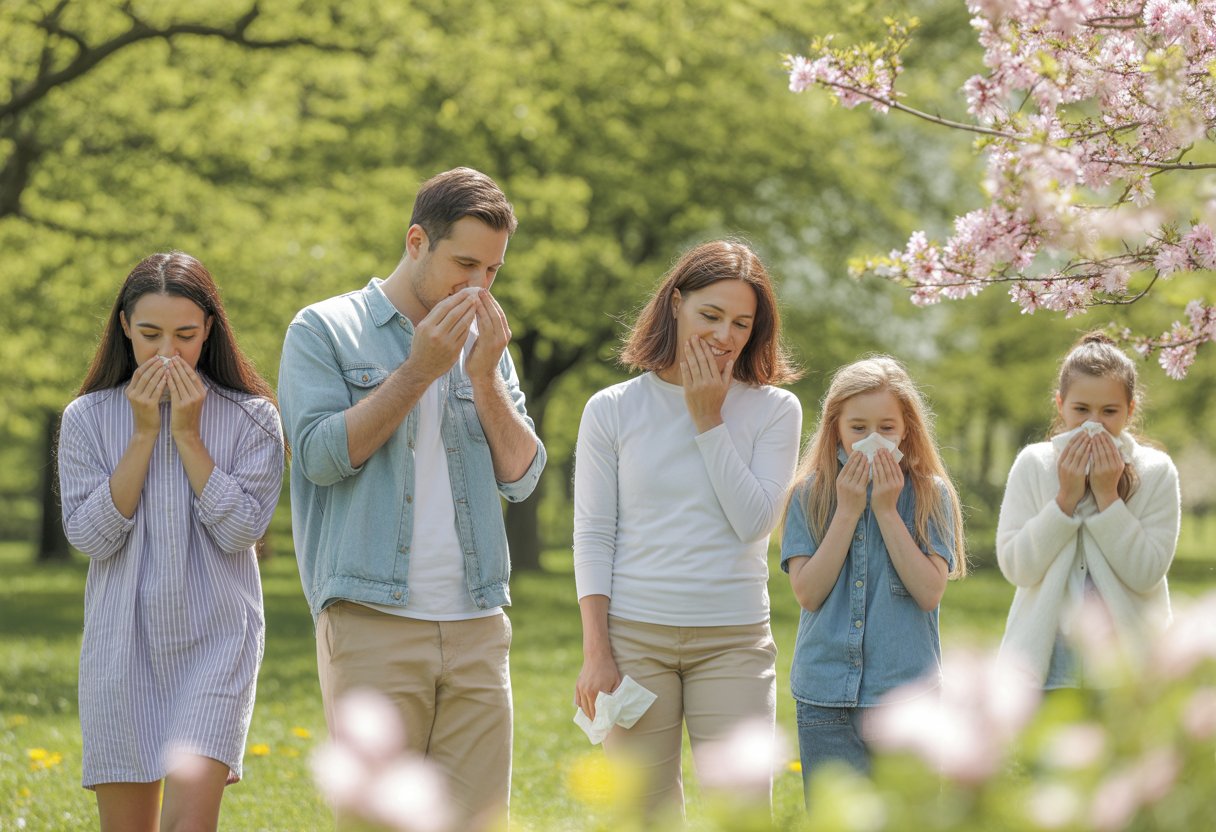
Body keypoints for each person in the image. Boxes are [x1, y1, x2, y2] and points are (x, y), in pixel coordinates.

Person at [278, 167, 545, 824]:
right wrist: (420, 370)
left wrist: (483, 377)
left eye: (493, 271)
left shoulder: (490, 346)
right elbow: (318, 458)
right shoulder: (325, 329)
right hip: (371, 617)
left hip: (478, 620)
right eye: (465, 264)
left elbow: (523, 475)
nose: (479, 286)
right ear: (417, 241)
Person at [573, 239, 803, 815]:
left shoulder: (776, 410)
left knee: (742, 815)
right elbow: (595, 533)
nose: (725, 335)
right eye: (711, 315)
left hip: (733, 642)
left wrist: (708, 419)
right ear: (676, 303)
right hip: (633, 641)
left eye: (741, 324)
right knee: (641, 818)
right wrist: (596, 650)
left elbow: (754, 523)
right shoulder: (612, 408)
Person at [57, 251, 285, 832]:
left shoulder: (253, 417)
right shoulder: (86, 417)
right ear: (125, 328)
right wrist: (142, 435)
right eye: (151, 334)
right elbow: (90, 537)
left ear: (209, 329)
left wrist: (186, 433)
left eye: (185, 335)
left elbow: (241, 531)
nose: (167, 353)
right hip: (121, 642)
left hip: (217, 640)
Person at [780, 356, 965, 792]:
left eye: (886, 428)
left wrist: (885, 510)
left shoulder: (929, 494)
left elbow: (928, 592)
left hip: (906, 697)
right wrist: (847, 511)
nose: (872, 440)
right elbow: (807, 593)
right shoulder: (810, 495)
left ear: (906, 430)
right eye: (858, 428)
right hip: (826, 697)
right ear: (836, 430)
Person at [996, 332, 1180, 688]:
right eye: (1081, 409)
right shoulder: (1034, 464)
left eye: (1108, 411)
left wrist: (1107, 497)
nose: (1093, 422)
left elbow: (1146, 573)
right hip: (1044, 667)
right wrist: (1065, 499)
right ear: (1061, 404)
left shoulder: (1157, 471)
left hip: (1129, 669)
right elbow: (1018, 568)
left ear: (1130, 410)